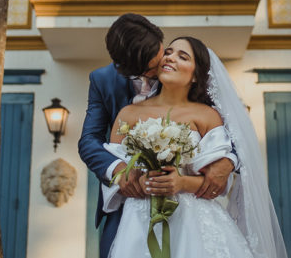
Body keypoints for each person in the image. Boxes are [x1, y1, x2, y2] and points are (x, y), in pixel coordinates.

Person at [101, 36, 288, 258]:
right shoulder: (128, 114)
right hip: (138, 218)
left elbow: (217, 182)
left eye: (183, 56)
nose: (170, 58)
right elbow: (113, 169)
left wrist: (181, 182)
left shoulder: (206, 116)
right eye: (168, 52)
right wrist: (136, 180)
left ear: (195, 75)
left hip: (193, 221)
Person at [78, 14, 236, 258]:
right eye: (155, 65)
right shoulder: (106, 85)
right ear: (129, 68)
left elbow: (233, 128)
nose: (166, 61)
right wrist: (122, 171)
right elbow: (89, 142)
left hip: (192, 214)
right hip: (131, 210)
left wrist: (228, 161)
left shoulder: (192, 91)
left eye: (165, 52)